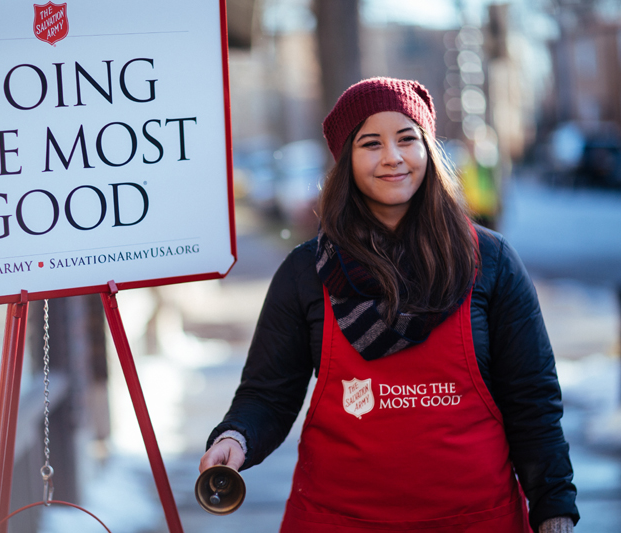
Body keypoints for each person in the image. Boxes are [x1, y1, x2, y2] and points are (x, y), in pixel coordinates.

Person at [199, 78, 579, 532]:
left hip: (476, 519)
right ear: (346, 160)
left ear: (428, 150)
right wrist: (236, 437)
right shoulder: (306, 271)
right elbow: (268, 393)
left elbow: (532, 401)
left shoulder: (490, 261)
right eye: (370, 143)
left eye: (407, 139)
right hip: (338, 521)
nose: (392, 157)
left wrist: (554, 511)